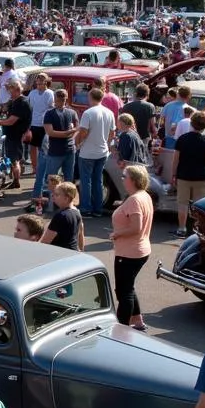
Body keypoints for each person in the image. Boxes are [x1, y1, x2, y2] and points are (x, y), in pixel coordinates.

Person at [108, 164, 154, 329]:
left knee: (123, 292)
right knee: (128, 286)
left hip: (130, 253)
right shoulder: (143, 196)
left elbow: (136, 227)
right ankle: (137, 321)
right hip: (139, 250)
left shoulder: (135, 200)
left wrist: (117, 234)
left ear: (133, 180)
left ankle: (121, 328)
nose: (122, 179)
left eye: (124, 176)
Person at [171, 110, 205, 238]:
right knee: (199, 205)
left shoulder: (182, 139)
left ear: (191, 123)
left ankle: (181, 228)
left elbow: (175, 160)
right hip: (200, 176)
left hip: (183, 175)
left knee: (183, 203)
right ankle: (197, 228)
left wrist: (173, 174)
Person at [76, 87, 115, 218]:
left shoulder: (88, 113)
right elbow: (112, 132)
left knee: (86, 180)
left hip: (87, 152)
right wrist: (107, 144)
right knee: (98, 180)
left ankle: (86, 208)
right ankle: (98, 208)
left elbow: (83, 132)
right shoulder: (109, 112)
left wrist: (78, 143)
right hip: (102, 151)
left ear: (90, 97)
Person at [0, 81, 30, 188]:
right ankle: (15, 178)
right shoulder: (16, 101)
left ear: (17, 90)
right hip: (15, 134)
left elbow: (11, 121)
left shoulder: (21, 103)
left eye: (11, 89)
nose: (9, 92)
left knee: (14, 160)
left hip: (15, 135)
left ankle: (16, 181)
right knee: (15, 158)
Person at [42, 88, 78, 185]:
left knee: (68, 180)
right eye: (59, 100)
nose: (61, 102)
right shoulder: (49, 114)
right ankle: (52, 199)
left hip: (68, 150)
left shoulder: (71, 112)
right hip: (56, 151)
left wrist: (71, 136)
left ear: (66, 99)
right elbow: (50, 132)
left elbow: (77, 129)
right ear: (55, 99)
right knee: (53, 180)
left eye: (63, 100)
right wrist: (68, 134)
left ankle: (64, 199)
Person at [39, 181, 85, 251]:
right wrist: (81, 251)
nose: (52, 196)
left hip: (60, 254)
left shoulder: (60, 216)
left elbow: (44, 242)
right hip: (72, 252)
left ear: (66, 198)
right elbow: (81, 234)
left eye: (57, 195)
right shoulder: (77, 212)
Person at [121, 82, 157, 148]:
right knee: (142, 155)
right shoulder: (150, 106)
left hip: (129, 135)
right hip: (144, 137)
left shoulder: (126, 106)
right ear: (147, 94)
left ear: (136, 93)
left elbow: (121, 122)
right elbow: (153, 124)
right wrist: (155, 134)